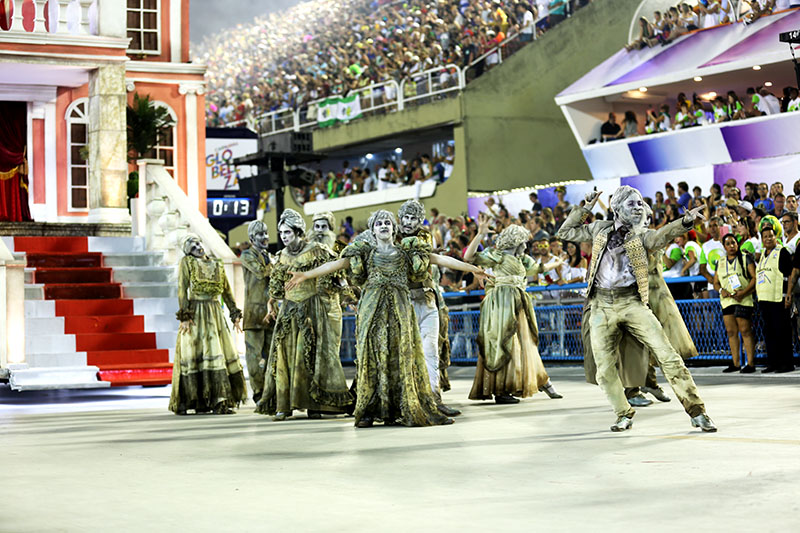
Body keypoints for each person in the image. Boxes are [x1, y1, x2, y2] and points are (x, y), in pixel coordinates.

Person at [285, 210, 490, 428]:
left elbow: (440, 259)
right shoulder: (365, 253)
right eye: (379, 223)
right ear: (373, 230)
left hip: (400, 310)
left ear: (394, 228)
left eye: (387, 223)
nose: (383, 226)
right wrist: (306, 275)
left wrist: (473, 269)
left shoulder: (406, 252)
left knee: (401, 356)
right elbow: (336, 265)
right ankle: (368, 411)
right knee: (372, 357)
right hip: (372, 311)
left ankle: (400, 407)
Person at [557, 186, 716, 432]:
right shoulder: (600, 228)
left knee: (669, 356)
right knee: (604, 369)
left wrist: (684, 222)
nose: (638, 207)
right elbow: (565, 231)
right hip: (601, 305)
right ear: (617, 208)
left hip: (632, 303)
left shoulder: (642, 235)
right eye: (632, 204)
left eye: (640, 203)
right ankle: (623, 413)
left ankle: (697, 411)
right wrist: (585, 209)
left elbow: (660, 236)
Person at [257, 209, 353, 421]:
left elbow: (336, 271)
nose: (284, 236)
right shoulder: (281, 255)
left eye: (288, 232)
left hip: (311, 309)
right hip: (289, 310)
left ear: (298, 231)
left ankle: (315, 404)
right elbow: (276, 284)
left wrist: (347, 294)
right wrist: (271, 303)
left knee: (309, 355)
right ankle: (284, 405)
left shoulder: (317, 250)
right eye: (281, 232)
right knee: (284, 355)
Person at [463, 215, 563, 404]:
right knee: (505, 344)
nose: (527, 246)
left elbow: (538, 269)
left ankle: (542, 380)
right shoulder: (497, 255)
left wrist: (556, 264)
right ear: (517, 241)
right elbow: (469, 257)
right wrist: (479, 234)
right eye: (524, 242)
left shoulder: (523, 259)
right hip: (501, 304)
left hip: (518, 304)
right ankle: (503, 388)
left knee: (525, 343)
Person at [396, 199, 461, 417]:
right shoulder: (390, 236)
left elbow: (427, 264)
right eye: (406, 217)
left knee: (431, 351)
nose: (409, 222)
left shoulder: (424, 236)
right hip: (402, 303)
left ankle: (434, 399)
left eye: (414, 218)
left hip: (428, 300)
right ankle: (406, 402)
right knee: (404, 353)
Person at [169, 235, 247, 415]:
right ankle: (198, 400)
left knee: (219, 353)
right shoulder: (187, 263)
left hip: (215, 315)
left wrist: (234, 313)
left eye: (198, 242)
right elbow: (182, 290)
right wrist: (185, 316)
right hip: (196, 315)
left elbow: (227, 290)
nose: (197, 246)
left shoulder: (217, 264)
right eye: (192, 245)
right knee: (199, 355)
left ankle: (220, 400)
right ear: (187, 251)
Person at [241, 221, 274, 404]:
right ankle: (258, 391)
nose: (265, 237)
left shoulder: (270, 256)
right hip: (254, 312)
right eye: (260, 234)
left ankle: (270, 390)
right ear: (252, 238)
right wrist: (276, 265)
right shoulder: (247, 255)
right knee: (254, 357)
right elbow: (261, 272)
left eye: (266, 233)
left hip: (272, 311)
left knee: (271, 355)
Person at [714, 233, 757, 373]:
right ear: (724, 246)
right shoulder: (720, 262)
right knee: (731, 331)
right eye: (728, 244)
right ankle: (736, 363)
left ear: (737, 244)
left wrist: (743, 292)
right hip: (727, 300)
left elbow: (754, 277)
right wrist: (722, 290)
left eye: (733, 243)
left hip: (743, 298)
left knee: (745, 330)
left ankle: (750, 364)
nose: (731, 246)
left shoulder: (745, 258)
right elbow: (715, 282)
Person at [756, 226, 795, 373]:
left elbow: (790, 274)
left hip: (778, 299)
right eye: (765, 236)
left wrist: (788, 294)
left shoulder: (781, 252)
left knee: (782, 332)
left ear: (775, 237)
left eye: (770, 236)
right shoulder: (762, 255)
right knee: (770, 333)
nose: (768, 239)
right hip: (765, 300)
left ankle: (786, 363)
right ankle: (773, 363)